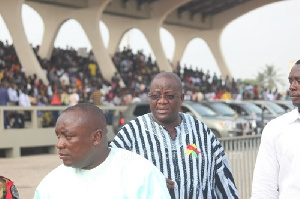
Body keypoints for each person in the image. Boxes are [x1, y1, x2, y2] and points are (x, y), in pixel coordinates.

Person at [110, 72, 239, 198]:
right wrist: (146, 182)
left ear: (181, 98)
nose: (162, 101)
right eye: (155, 96)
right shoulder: (131, 133)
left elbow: (225, 182)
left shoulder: (202, 132)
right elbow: (109, 174)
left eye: (169, 96)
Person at [34, 103, 170, 199]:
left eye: (68, 137)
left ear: (96, 137)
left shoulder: (141, 174)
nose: (59, 144)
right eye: (58, 136)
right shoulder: (51, 184)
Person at [251, 60, 300, 198]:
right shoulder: (276, 129)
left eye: (298, 80)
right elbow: (264, 188)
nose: (292, 87)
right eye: (290, 81)